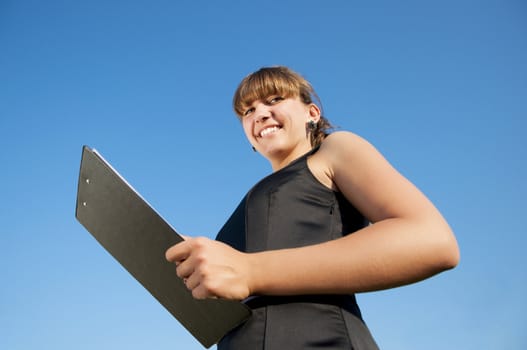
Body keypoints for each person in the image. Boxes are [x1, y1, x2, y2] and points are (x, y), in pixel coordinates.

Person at [165, 66, 460, 349]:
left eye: (274, 100)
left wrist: (250, 271)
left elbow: (431, 240)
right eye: (248, 111)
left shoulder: (334, 149)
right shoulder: (247, 204)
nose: (260, 114)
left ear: (312, 113)